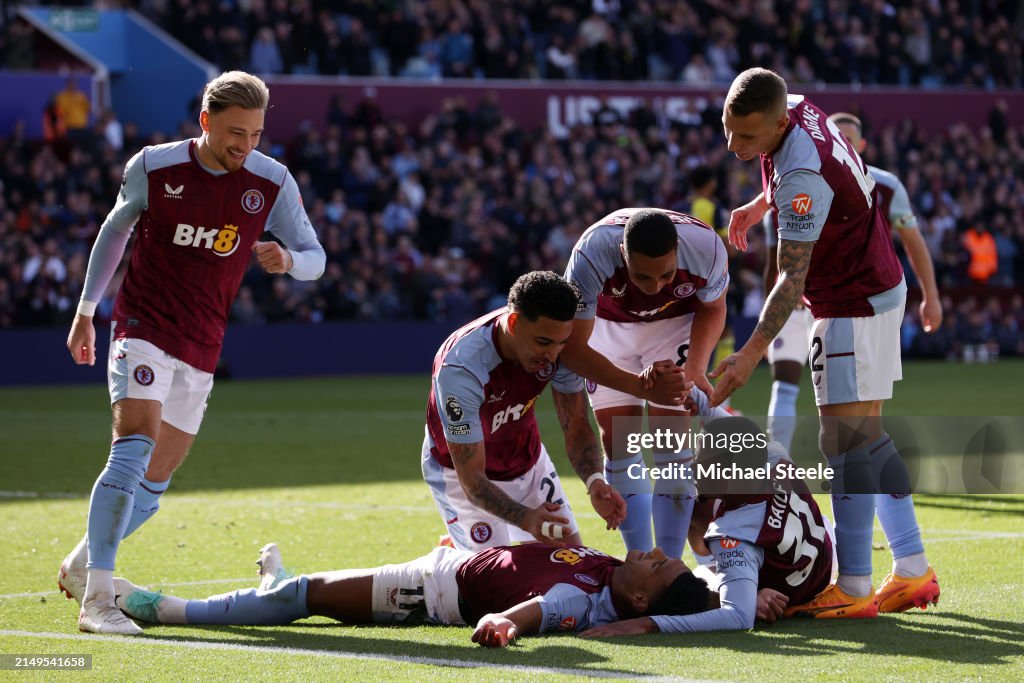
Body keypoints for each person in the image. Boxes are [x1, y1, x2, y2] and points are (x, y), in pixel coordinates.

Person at [60, 71, 327, 636]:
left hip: (203, 343)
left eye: (255, 134)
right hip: (143, 325)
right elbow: (115, 231)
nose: (245, 145)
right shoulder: (155, 167)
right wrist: (86, 310)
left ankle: (80, 567)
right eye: (234, 132)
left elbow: (315, 255)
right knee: (132, 450)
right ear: (205, 122)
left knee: (155, 483)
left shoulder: (271, 181)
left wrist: (291, 263)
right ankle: (99, 602)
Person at [708, 68, 939, 618]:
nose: (734, 146)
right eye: (728, 130)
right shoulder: (799, 106)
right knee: (867, 434)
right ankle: (912, 569)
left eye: (747, 137)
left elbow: (791, 279)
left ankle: (855, 588)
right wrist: (760, 204)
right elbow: (785, 161)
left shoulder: (801, 178)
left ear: (778, 120)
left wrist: (750, 353)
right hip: (880, 287)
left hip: (849, 304)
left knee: (843, 446)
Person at [113, 540, 713, 646]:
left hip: (427, 593)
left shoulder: (583, 600)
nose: (655, 554)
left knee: (299, 598)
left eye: (659, 568)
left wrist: (503, 623)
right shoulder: (610, 572)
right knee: (307, 593)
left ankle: (160, 608)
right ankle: (270, 584)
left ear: (640, 602)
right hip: (448, 564)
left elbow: (533, 612)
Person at [561, 208, 728, 560]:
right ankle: (639, 561)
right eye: (642, 277)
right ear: (623, 254)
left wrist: (696, 369)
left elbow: (713, 309)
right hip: (606, 326)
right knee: (619, 439)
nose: (655, 287)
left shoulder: (706, 247)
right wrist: (639, 387)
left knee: (672, 440)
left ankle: (667, 563)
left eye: (666, 274)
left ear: (679, 252)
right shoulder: (590, 254)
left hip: (674, 324)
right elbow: (573, 350)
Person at [422, 270, 627, 552]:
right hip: (459, 476)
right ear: (514, 321)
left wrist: (594, 481)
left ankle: (459, 551)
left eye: (562, 343)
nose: (553, 356)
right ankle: (453, 556)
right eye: (543, 342)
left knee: (572, 562)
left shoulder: (555, 346)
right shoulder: (461, 369)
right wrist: (525, 518)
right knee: (491, 586)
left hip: (527, 463)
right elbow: (472, 480)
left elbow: (576, 423)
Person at [581, 417, 838, 638]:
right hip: (824, 548)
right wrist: (700, 400)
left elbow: (738, 617)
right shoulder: (776, 458)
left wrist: (649, 623)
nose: (693, 467)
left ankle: (713, 576)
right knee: (696, 499)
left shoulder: (733, 537)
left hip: (802, 585)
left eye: (703, 461)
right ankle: (722, 577)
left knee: (695, 508)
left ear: (730, 474)